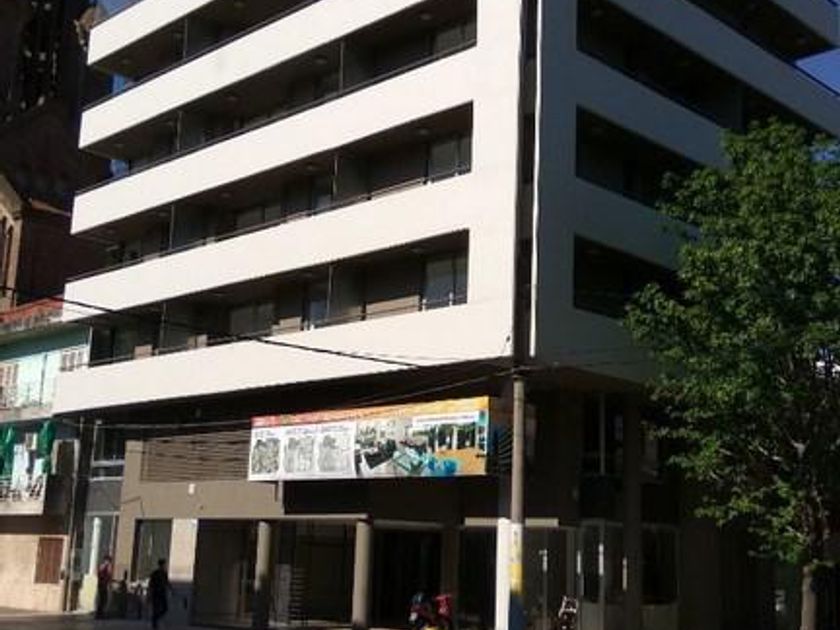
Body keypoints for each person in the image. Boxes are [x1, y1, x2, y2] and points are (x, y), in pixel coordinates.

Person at [148, 558, 173, 629]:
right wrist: (149, 593)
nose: (165, 566)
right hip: (156, 593)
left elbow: (167, 582)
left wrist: (171, 589)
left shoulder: (164, 574)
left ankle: (155, 619)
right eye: (164, 565)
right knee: (156, 608)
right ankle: (154, 624)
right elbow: (151, 584)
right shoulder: (155, 574)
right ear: (161, 565)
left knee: (165, 608)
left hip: (161, 593)